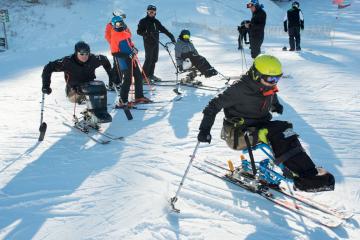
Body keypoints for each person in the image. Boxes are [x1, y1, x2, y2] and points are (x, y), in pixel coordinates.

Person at [197, 54, 335, 192]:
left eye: (277, 78)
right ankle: (305, 177)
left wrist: (276, 105)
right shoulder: (238, 89)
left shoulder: (266, 85)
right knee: (279, 135)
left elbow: (271, 93)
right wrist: (204, 130)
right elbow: (212, 106)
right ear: (256, 74)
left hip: (258, 126)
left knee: (286, 129)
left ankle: (307, 172)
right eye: (270, 78)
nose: (274, 82)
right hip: (238, 134)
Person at [41, 41, 113, 124]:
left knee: (100, 86)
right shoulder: (67, 62)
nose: (84, 56)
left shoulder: (93, 59)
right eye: (81, 54)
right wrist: (46, 85)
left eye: (87, 54)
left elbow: (104, 60)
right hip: (73, 92)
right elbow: (48, 67)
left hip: (89, 89)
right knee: (88, 88)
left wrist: (111, 76)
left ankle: (100, 113)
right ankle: (92, 113)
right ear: (76, 53)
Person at [110, 16, 151, 108]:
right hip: (124, 61)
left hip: (132, 59)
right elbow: (114, 53)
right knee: (128, 80)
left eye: (121, 23)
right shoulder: (114, 36)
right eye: (118, 24)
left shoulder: (125, 32)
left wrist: (134, 49)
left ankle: (139, 96)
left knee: (138, 76)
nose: (120, 25)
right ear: (114, 25)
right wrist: (127, 55)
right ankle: (123, 101)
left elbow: (130, 44)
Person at [137, 4, 176, 82]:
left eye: (153, 12)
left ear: (155, 13)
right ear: (147, 12)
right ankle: (143, 77)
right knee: (148, 59)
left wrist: (171, 36)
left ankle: (150, 75)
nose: (151, 13)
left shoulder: (156, 22)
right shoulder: (143, 21)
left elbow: (163, 29)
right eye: (150, 12)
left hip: (155, 43)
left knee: (154, 59)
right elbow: (139, 31)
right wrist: (145, 33)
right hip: (148, 43)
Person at [105, 9, 130, 91]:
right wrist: (114, 43)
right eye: (121, 17)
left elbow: (129, 34)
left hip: (123, 48)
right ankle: (113, 83)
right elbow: (107, 36)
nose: (123, 19)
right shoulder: (110, 25)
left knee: (120, 66)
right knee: (116, 66)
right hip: (116, 49)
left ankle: (118, 82)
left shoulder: (123, 25)